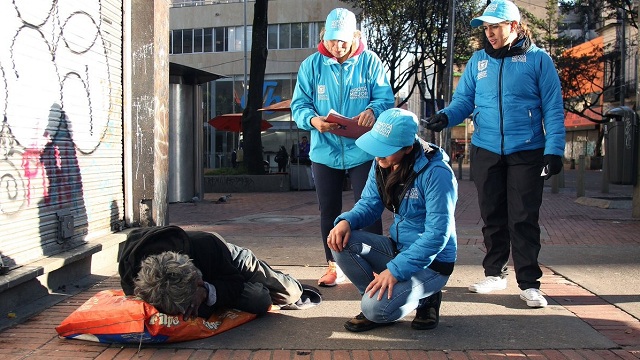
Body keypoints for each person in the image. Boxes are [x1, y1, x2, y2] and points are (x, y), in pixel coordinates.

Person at [425, 0, 565, 308]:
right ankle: (495, 273)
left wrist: (554, 149)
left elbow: (553, 108)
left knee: (524, 217)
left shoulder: (538, 60)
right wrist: (446, 116)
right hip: (486, 148)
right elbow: (463, 100)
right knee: (492, 215)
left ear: (513, 26)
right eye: (486, 28)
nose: (489, 34)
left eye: (495, 27)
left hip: (527, 150)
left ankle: (529, 283)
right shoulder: (478, 61)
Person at [327, 108, 458, 332]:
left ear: (408, 148)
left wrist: (396, 271)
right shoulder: (382, 163)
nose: (378, 156)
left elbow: (437, 235)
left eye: (385, 151)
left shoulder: (437, 173)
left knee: (376, 310)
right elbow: (369, 204)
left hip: (432, 263)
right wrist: (346, 221)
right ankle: (375, 299)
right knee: (341, 241)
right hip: (398, 249)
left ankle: (426, 298)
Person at [291, 7, 395, 287]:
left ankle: (376, 267)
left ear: (354, 37)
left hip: (363, 149)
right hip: (324, 150)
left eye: (343, 41)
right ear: (324, 36)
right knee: (330, 210)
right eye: (331, 40)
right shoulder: (311, 65)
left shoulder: (370, 62)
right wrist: (314, 121)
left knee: (370, 207)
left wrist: (373, 110)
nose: (337, 46)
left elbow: (385, 98)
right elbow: (298, 105)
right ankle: (333, 265)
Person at [118, 225, 304, 318]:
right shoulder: (129, 269)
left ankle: (265, 273)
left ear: (197, 280)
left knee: (289, 294)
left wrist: (206, 292)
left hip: (229, 260)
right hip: (206, 276)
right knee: (257, 299)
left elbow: (234, 281)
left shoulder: (206, 245)